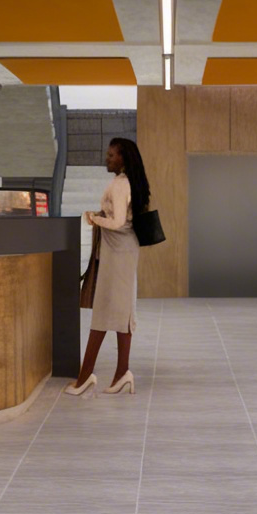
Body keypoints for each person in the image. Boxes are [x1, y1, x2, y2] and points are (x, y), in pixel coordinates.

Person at [70, 137, 148, 396]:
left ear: (123, 158)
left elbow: (117, 222)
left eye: (112, 155)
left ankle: (86, 378)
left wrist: (94, 218)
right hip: (122, 251)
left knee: (108, 312)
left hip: (118, 254)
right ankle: (120, 373)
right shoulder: (127, 182)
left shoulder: (120, 184)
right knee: (118, 312)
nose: (107, 158)